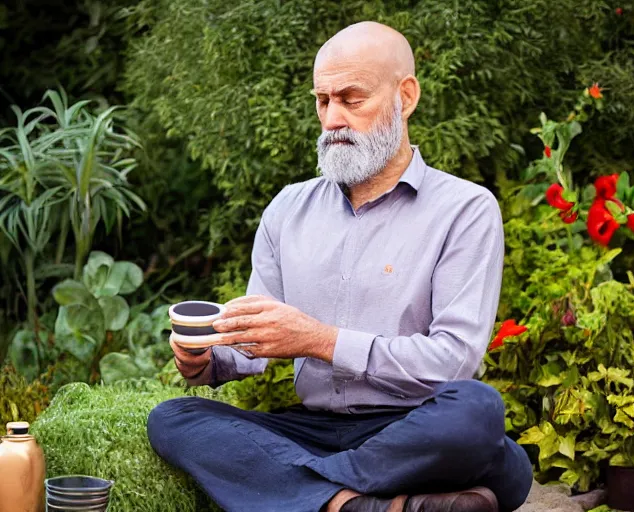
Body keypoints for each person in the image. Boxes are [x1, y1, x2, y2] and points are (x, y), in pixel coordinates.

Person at [147, 21, 533, 512]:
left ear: (405, 97)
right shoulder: (287, 209)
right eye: (322, 101)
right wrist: (203, 360)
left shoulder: (465, 208)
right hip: (314, 428)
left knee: (477, 413)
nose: (332, 119)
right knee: (173, 418)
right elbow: (251, 349)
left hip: (413, 424)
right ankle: (360, 505)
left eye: (352, 99)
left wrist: (320, 341)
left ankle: (303, 490)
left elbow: (453, 362)